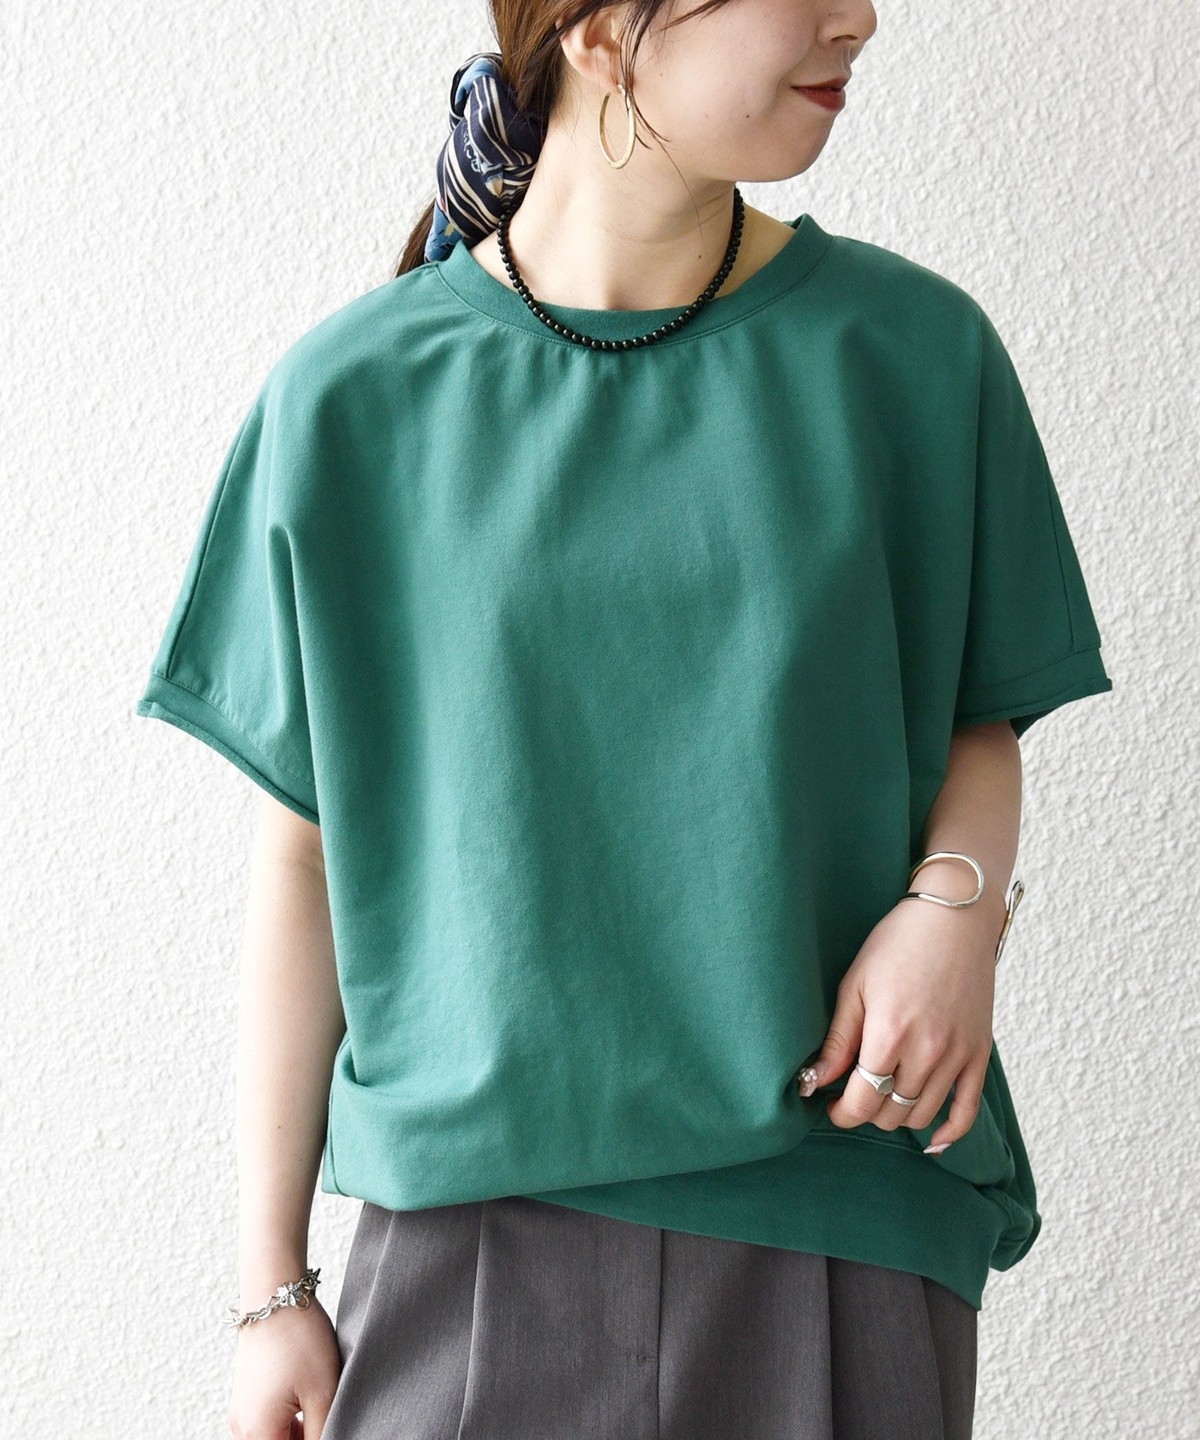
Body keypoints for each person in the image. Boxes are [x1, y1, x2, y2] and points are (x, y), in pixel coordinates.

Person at [135, 3, 1115, 1437]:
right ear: (598, 32)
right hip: (465, 1238)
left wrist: (954, 911)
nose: (860, 17)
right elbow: (306, 859)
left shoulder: (915, 354)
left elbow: (981, 712)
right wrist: (268, 1287)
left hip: (837, 1210)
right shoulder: (351, 401)